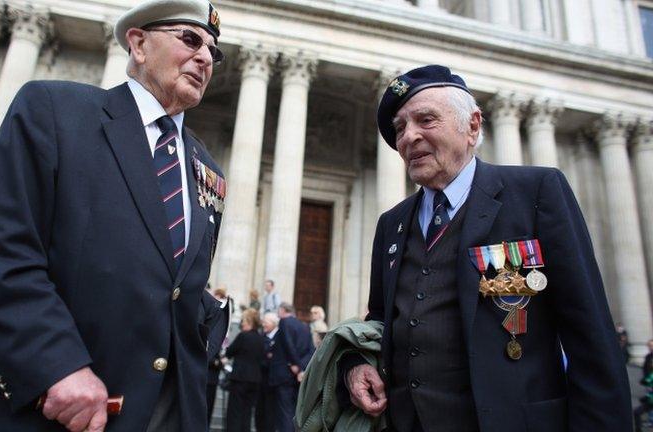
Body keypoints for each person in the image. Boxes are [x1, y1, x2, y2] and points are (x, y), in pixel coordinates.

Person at [0, 1, 228, 431]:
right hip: (54, 406)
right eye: (190, 39)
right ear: (138, 43)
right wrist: (56, 364)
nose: (205, 57)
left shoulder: (207, 170)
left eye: (214, 51)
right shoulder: (56, 111)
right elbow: (2, 248)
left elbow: (176, 290)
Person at [340, 65, 631, 431]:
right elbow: (381, 321)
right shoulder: (392, 223)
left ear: (473, 126)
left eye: (425, 120)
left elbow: (590, 334)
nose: (408, 137)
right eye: (399, 128)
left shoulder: (536, 193)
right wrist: (354, 364)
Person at [270, 303, 314, 432]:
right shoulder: (305, 326)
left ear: (283, 310)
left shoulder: (284, 322)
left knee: (284, 413)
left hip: (284, 374)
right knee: (294, 412)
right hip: (297, 376)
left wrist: (296, 365)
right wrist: (301, 368)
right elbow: (311, 351)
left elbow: (289, 345)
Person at [223, 308, 264, 432]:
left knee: (235, 413)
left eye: (243, 321)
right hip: (255, 380)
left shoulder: (243, 336)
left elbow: (229, 352)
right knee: (246, 413)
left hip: (240, 379)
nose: (242, 323)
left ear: (249, 321)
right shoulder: (260, 338)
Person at [255, 312, 279, 432]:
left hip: (272, 382)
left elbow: (273, 358)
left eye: (266, 322)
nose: (263, 324)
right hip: (260, 380)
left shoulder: (279, 337)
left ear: (274, 324)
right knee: (259, 412)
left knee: (270, 413)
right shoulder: (261, 336)